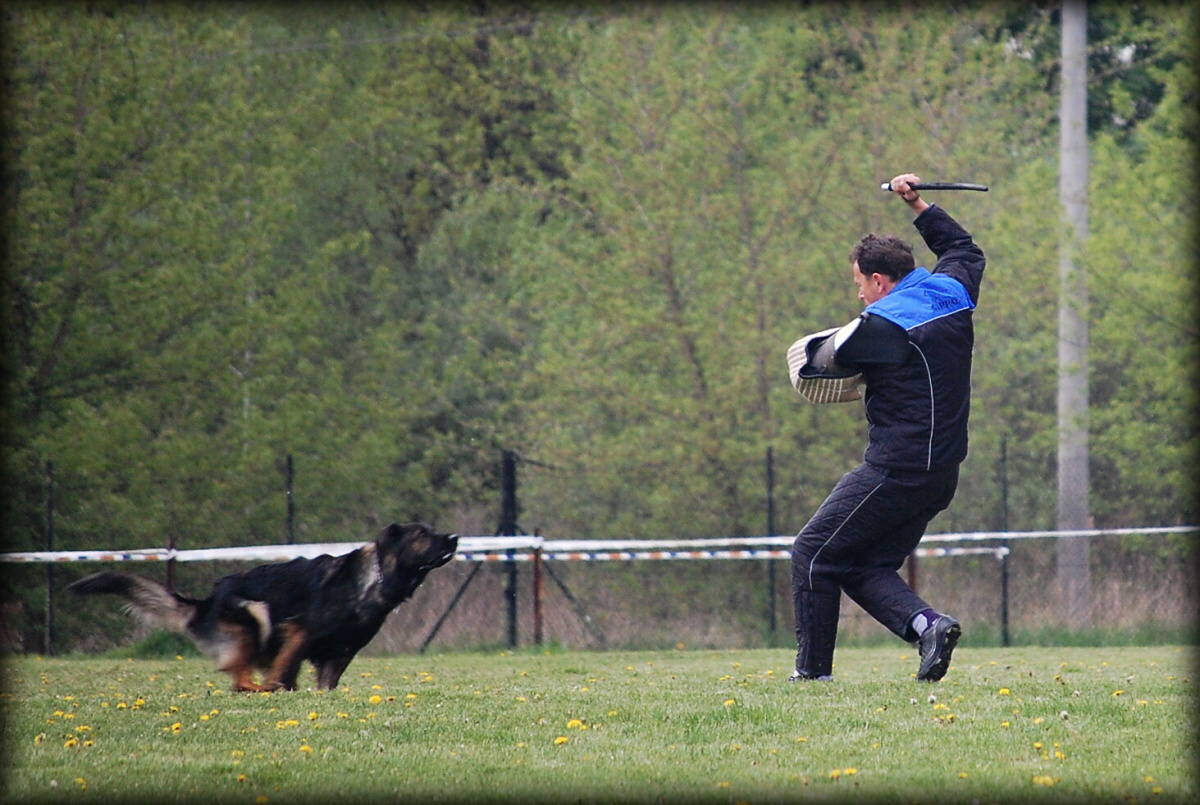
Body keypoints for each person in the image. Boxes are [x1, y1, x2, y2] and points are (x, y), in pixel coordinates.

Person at [785, 172, 985, 682]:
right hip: (941, 473)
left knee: (812, 553)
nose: (860, 298)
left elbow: (820, 361)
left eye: (860, 287)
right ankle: (929, 626)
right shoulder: (953, 291)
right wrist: (916, 203)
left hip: (896, 468)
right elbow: (962, 247)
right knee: (859, 564)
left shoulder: (883, 323)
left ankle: (812, 678)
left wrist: (817, 351)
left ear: (878, 281)